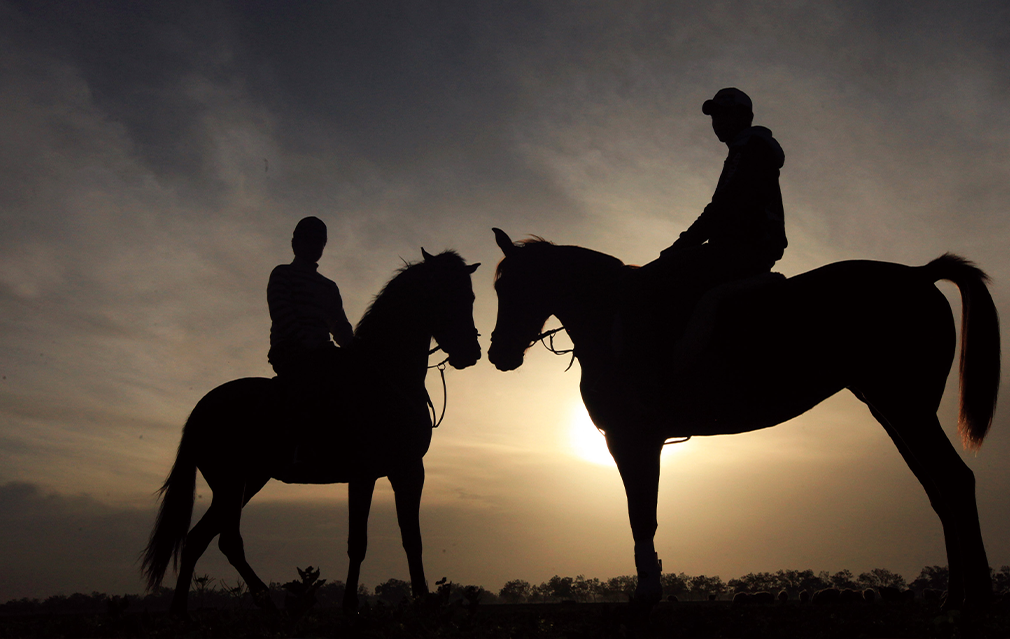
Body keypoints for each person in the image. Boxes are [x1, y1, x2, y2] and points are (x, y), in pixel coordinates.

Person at [267, 216, 355, 462]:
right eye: (309, 239)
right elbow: (281, 312)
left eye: (320, 242)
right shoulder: (282, 274)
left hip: (322, 351)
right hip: (290, 349)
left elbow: (339, 324)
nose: (315, 246)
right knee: (313, 380)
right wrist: (306, 341)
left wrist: (355, 350)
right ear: (295, 243)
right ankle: (300, 445)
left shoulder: (329, 286)